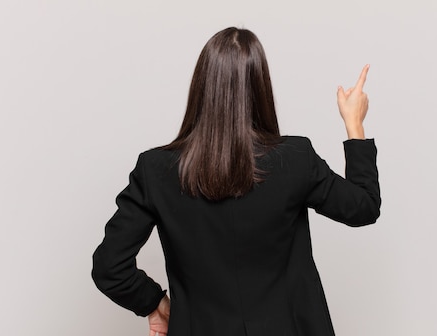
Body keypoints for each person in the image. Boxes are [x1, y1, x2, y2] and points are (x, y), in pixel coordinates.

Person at [92, 27, 380, 336]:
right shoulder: (296, 159)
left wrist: (157, 304)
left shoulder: (155, 170)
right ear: (261, 87)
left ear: (201, 86)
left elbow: (110, 266)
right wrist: (354, 123)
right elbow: (363, 207)